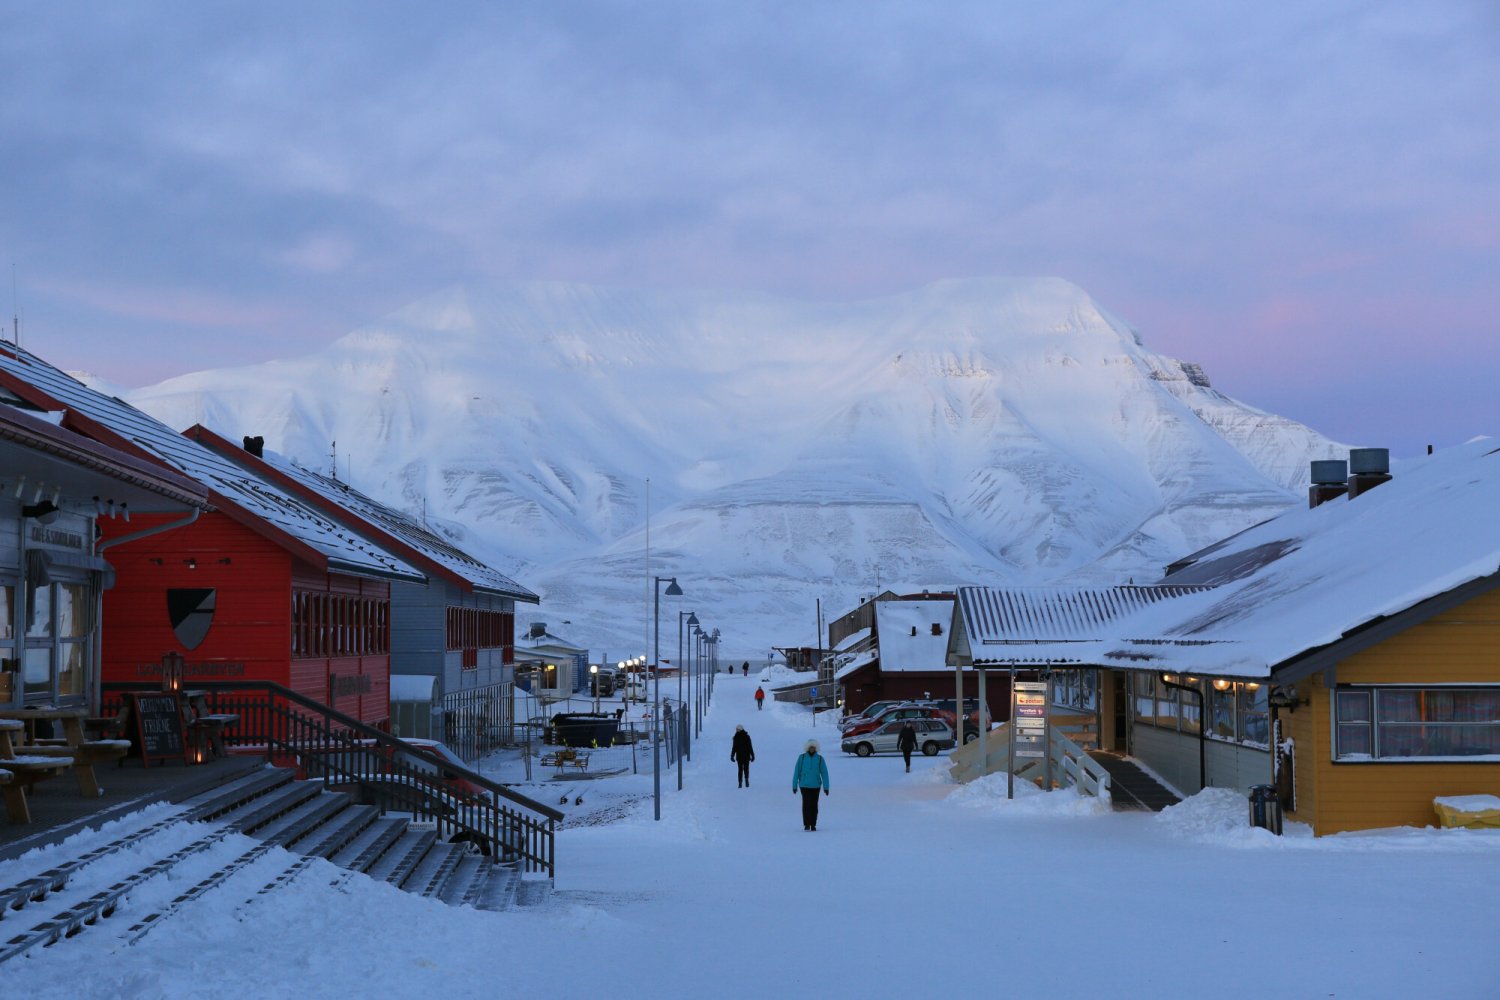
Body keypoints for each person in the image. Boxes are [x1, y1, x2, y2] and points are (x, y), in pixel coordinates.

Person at [792, 740, 830, 830]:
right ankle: (806, 824)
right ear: (807, 748)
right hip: (804, 785)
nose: (812, 749)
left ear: (816, 748)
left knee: (814, 805)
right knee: (806, 804)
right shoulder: (802, 758)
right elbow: (796, 772)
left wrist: (826, 787)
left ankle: (813, 824)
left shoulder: (820, 759)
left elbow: (824, 773)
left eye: (813, 747)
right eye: (810, 747)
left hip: (816, 786)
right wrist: (794, 785)